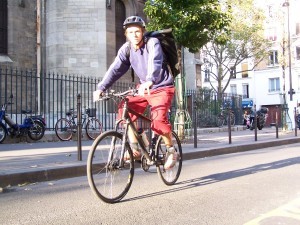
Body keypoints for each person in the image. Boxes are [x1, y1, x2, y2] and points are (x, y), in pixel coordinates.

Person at [96, 16, 177, 170]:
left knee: (158, 121)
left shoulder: (152, 43)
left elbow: (156, 61)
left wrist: (150, 80)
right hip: (144, 88)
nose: (134, 34)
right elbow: (115, 70)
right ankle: (135, 149)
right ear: (126, 34)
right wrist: (101, 88)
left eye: (137, 31)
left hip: (162, 87)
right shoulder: (126, 49)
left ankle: (171, 151)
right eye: (130, 32)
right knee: (124, 109)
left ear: (142, 32)